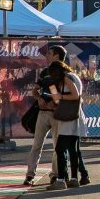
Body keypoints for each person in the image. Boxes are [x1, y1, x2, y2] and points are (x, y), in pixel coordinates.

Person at [24, 45, 64, 186]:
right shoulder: (45, 72)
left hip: (57, 114)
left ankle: (55, 174)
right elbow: (36, 89)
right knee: (37, 144)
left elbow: (63, 93)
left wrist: (55, 102)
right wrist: (39, 98)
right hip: (42, 113)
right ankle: (30, 175)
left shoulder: (64, 73)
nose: (46, 56)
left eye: (49, 54)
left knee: (57, 146)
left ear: (57, 56)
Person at [45, 61, 83, 190]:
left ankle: (61, 179)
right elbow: (57, 99)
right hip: (74, 116)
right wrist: (52, 89)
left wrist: (59, 95)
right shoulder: (72, 76)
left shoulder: (67, 78)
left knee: (60, 149)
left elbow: (75, 95)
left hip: (68, 117)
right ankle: (74, 178)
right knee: (73, 149)